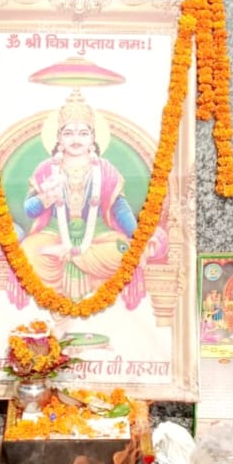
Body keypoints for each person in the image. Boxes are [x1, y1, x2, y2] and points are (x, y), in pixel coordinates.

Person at [17, 89, 165, 307]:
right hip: (54, 233)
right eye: (69, 133)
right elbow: (29, 210)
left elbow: (120, 208)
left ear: (93, 138)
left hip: (98, 233)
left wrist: (137, 237)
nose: (76, 139)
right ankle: (68, 258)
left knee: (125, 252)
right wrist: (44, 198)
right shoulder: (46, 168)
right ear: (59, 138)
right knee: (27, 254)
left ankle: (68, 254)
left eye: (83, 133)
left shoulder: (105, 169)